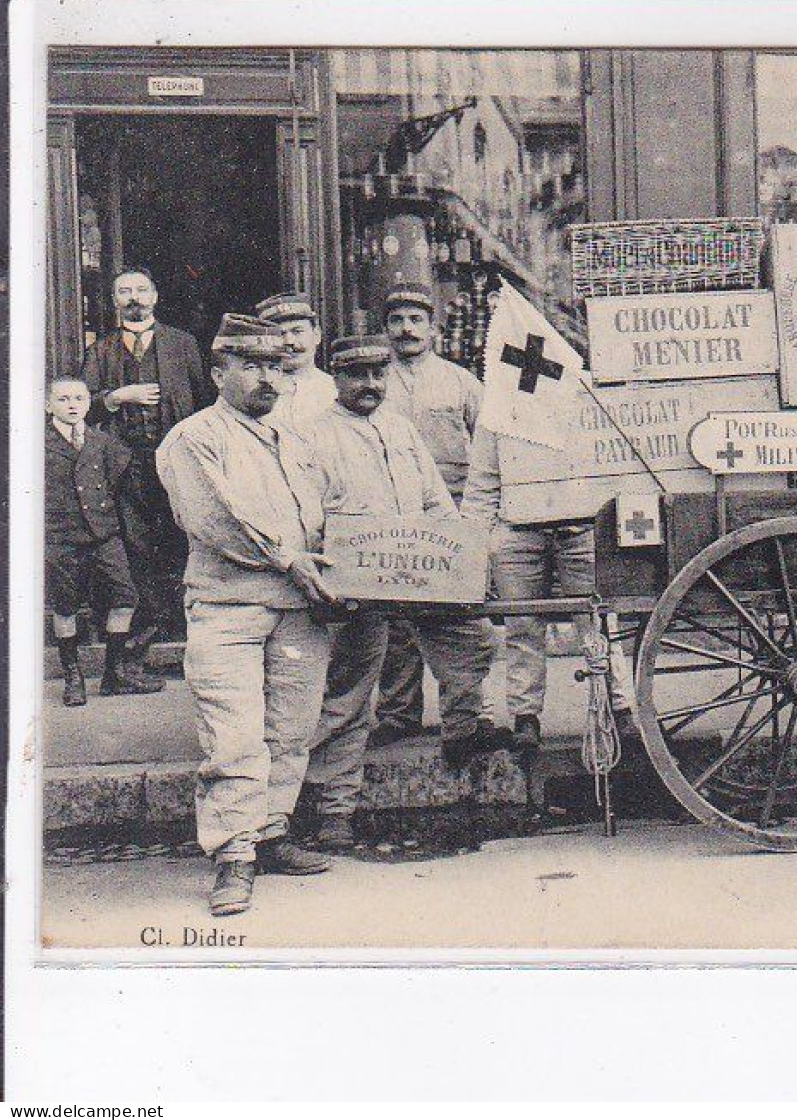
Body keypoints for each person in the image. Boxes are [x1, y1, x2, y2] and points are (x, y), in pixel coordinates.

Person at [156, 313, 335, 917]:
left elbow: (325, 513)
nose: (268, 379)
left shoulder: (294, 440)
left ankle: (273, 832)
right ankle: (234, 855)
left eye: (278, 368)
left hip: (299, 609)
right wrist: (289, 559)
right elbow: (215, 517)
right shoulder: (195, 438)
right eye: (252, 366)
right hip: (227, 609)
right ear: (218, 372)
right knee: (233, 734)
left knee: (291, 728)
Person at [300, 336, 503, 850]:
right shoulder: (312, 437)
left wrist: (457, 556)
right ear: (336, 379)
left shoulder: (400, 428)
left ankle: (462, 742)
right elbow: (307, 518)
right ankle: (332, 808)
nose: (369, 385)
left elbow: (436, 500)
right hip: (356, 583)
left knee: (471, 643)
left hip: (419, 573)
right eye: (355, 376)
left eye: (377, 375)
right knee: (348, 694)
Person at [463, 422, 636, 759]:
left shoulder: (582, 392)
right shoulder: (498, 409)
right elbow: (482, 483)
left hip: (582, 529)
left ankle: (619, 706)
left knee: (597, 621)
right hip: (519, 533)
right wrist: (474, 545)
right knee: (521, 625)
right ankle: (525, 716)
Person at [370, 283, 485, 745]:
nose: (406, 330)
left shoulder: (460, 382)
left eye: (416, 320)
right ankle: (399, 713)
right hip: (393, 513)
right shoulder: (375, 382)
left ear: (433, 329)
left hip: (450, 514)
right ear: (386, 330)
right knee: (396, 619)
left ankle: (466, 716)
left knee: (457, 616)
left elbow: (486, 449)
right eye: (397, 321)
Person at [84, 266, 214, 669]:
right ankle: (148, 632)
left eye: (141, 290)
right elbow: (80, 405)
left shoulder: (183, 344)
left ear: (155, 297)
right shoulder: (101, 350)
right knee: (136, 546)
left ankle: (188, 632)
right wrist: (115, 396)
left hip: (176, 459)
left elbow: (205, 401)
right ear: (115, 301)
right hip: (126, 466)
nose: (134, 298)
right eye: (125, 292)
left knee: (183, 538)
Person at [45, 376, 163, 705]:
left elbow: (119, 481)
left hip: (104, 535)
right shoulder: (37, 444)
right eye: (63, 399)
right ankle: (73, 677)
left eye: (79, 399)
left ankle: (114, 674)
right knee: (65, 606)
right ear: (48, 405)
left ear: (88, 403)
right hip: (62, 538)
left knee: (125, 597)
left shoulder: (102, 442)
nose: (72, 405)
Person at [256, 291, 337, 437]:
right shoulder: (256, 392)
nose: (289, 341)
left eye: (297, 331)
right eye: (280, 334)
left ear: (317, 334)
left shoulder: (335, 390)